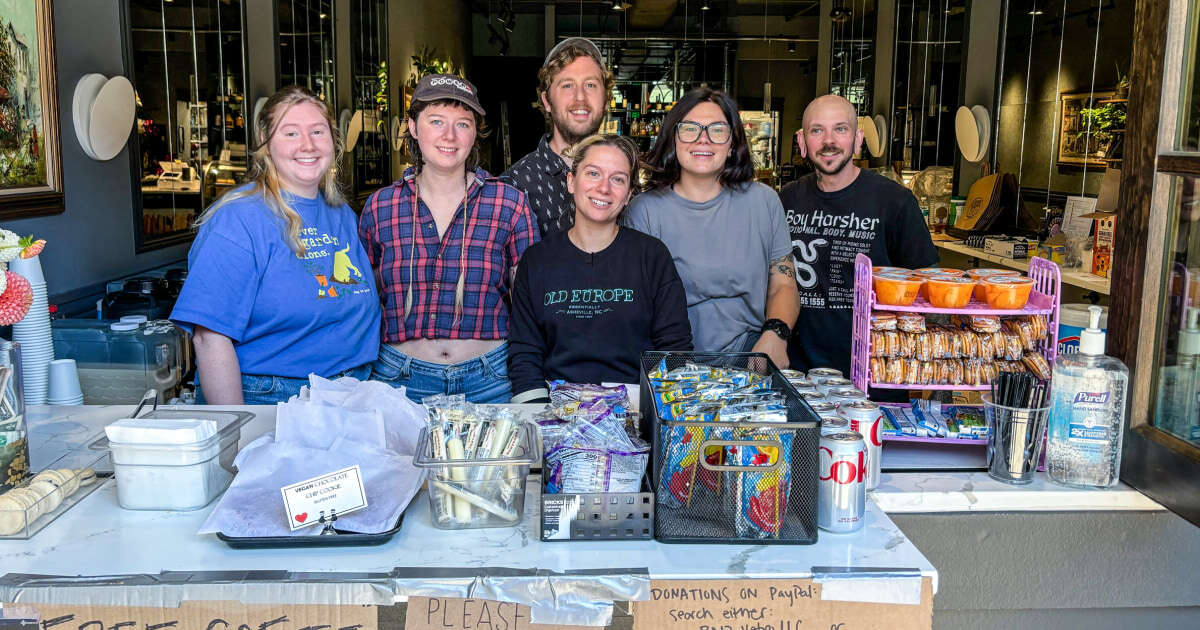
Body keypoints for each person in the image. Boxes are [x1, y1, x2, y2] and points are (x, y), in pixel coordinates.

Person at [171, 86, 380, 404]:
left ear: (333, 141)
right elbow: (209, 338)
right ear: (267, 145)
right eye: (291, 133)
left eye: (317, 131)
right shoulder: (238, 219)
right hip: (274, 398)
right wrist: (236, 433)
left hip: (354, 393)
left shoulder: (340, 214)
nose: (307, 145)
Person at [359, 74, 538, 404]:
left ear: (475, 133)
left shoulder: (508, 203)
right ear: (413, 127)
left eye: (463, 124)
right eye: (436, 121)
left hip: (490, 380)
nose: (449, 136)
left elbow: (530, 304)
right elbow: (361, 301)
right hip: (400, 380)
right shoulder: (380, 206)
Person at [508, 135, 693, 403]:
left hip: (633, 413)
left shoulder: (652, 256)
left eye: (617, 179)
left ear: (629, 194)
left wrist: (654, 416)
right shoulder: (536, 261)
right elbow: (525, 354)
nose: (604, 188)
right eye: (593, 173)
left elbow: (674, 351)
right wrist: (539, 420)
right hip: (557, 414)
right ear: (571, 182)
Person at [625, 87, 799, 369]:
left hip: (749, 355)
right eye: (690, 129)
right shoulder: (644, 211)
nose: (703, 139)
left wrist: (775, 334)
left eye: (717, 130)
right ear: (673, 138)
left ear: (732, 142)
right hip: (671, 363)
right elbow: (636, 305)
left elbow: (784, 282)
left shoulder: (763, 202)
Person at [781, 94, 938, 377]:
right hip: (798, 372)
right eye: (817, 130)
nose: (829, 141)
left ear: (858, 139)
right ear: (802, 142)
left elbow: (926, 288)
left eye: (840, 129)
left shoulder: (894, 201)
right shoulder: (786, 199)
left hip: (873, 373)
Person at [501, 37, 613, 236]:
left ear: (606, 99)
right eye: (567, 85)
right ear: (547, 101)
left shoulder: (622, 177)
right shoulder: (513, 186)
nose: (580, 97)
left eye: (590, 85)